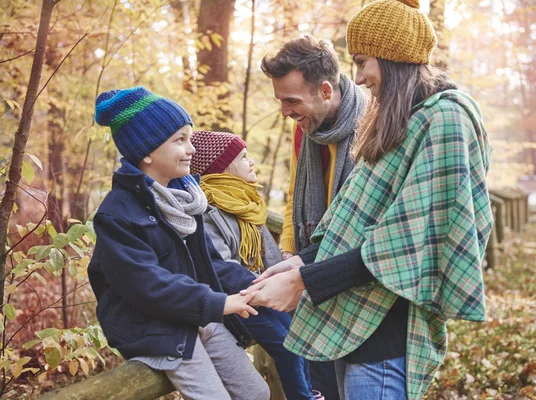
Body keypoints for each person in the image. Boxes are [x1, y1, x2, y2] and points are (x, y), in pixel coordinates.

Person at [243, 1, 494, 399]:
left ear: (393, 57)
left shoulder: (445, 119)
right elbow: (351, 225)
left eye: (362, 62)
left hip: (386, 339)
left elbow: (405, 241)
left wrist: (305, 280)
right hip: (350, 322)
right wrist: (298, 262)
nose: (357, 78)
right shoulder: (396, 122)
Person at [88, 86, 270, 400]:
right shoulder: (116, 215)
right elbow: (146, 285)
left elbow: (209, 263)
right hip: (154, 326)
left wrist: (256, 283)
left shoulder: (186, 200)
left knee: (257, 392)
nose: (192, 150)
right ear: (147, 151)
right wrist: (218, 303)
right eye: (179, 140)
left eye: (190, 138)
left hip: (193, 313)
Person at [261, 35, 368, 400]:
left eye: (292, 101)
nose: (285, 111)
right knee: (322, 382)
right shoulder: (305, 130)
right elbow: (296, 198)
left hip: (356, 275)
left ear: (325, 89)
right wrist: (290, 254)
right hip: (313, 266)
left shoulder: (373, 124)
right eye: (281, 101)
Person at [189, 130, 316, 400]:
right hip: (237, 300)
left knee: (300, 334)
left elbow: (266, 252)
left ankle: (309, 391)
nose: (251, 162)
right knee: (286, 346)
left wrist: (282, 272)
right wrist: (261, 287)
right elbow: (220, 266)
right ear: (223, 168)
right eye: (243, 157)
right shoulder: (208, 209)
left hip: (260, 291)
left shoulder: (247, 203)